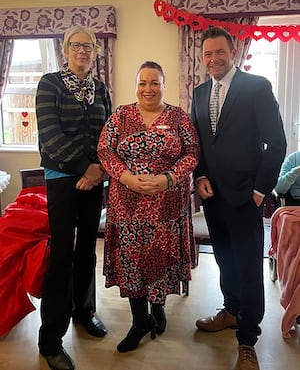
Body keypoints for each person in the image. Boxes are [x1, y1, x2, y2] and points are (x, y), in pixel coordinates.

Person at [191, 27, 286, 370]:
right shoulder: (200, 93)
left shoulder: (256, 87)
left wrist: (261, 190)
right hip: (212, 196)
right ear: (202, 58)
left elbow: (276, 142)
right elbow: (197, 142)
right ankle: (231, 311)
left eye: (220, 52)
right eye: (207, 54)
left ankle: (247, 338)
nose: (214, 59)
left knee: (248, 266)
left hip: (247, 197)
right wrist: (199, 175)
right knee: (224, 260)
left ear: (233, 53)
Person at [97, 61, 199, 353]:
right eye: (143, 83)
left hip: (167, 205)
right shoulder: (121, 116)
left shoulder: (178, 117)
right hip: (127, 204)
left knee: (160, 256)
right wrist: (127, 177)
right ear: (136, 86)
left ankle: (159, 306)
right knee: (133, 260)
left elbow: (192, 152)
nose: (148, 89)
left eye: (155, 82)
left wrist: (169, 178)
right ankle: (140, 320)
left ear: (164, 85)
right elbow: (105, 150)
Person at [36, 25, 111, 370]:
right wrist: (86, 168)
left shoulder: (100, 88)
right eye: (76, 45)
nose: (83, 51)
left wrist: (101, 169)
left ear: (96, 52)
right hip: (63, 179)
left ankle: (84, 312)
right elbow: (50, 135)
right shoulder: (49, 84)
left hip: (93, 179)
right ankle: (51, 339)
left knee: (86, 252)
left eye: (89, 46)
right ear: (65, 49)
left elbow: (107, 133)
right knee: (63, 253)